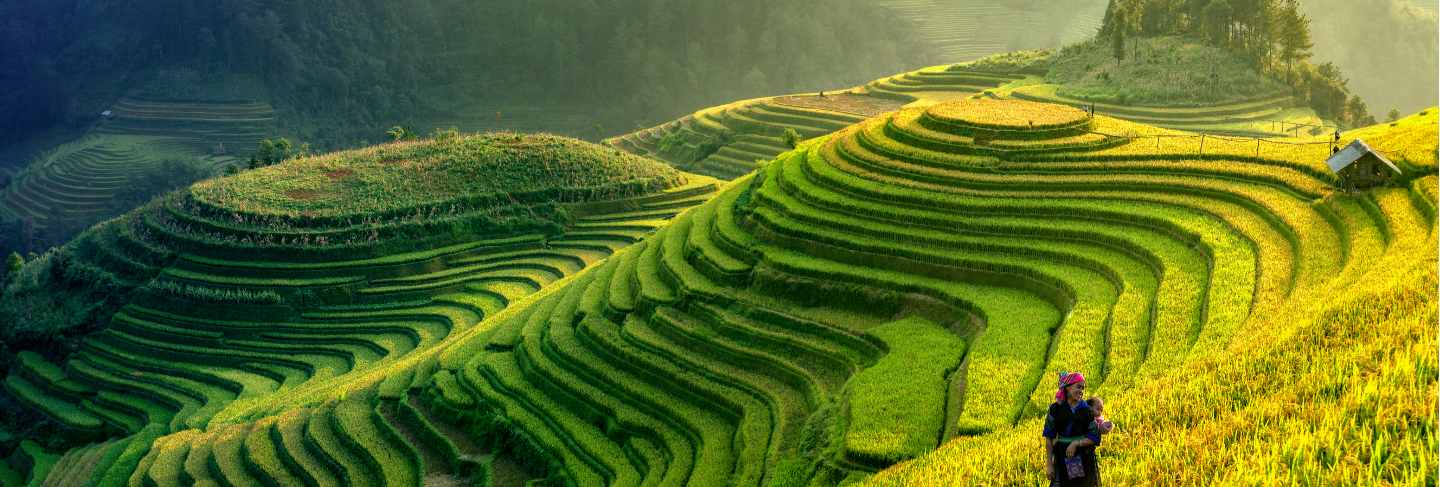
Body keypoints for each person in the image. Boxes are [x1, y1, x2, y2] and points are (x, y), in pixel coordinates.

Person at [1043, 371, 1102, 486]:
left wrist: (1076, 443)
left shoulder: (1086, 410)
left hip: (1083, 457)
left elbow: (1095, 436)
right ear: (1068, 387)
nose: (1081, 391)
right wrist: (1049, 464)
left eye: (1083, 388)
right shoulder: (1055, 409)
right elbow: (1049, 437)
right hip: (1061, 457)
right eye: (1078, 387)